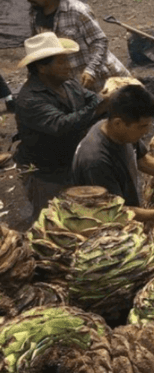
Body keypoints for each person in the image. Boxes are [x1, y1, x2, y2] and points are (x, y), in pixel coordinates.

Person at [10, 32, 107, 229]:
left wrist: (101, 102)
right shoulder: (30, 99)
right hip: (44, 172)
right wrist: (101, 105)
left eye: (67, 60)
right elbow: (61, 125)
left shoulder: (68, 83)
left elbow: (91, 98)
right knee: (51, 224)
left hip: (69, 163)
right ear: (42, 67)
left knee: (79, 218)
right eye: (61, 62)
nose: (69, 66)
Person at [72, 84, 154, 224]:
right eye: (142, 126)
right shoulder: (96, 161)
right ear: (118, 123)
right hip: (108, 228)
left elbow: (143, 160)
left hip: (126, 209)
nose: (147, 131)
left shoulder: (119, 132)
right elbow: (114, 212)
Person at [5, 0, 131, 92]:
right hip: (73, 86)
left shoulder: (77, 11)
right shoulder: (34, 15)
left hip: (104, 81)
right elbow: (40, 53)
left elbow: (99, 41)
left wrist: (91, 70)